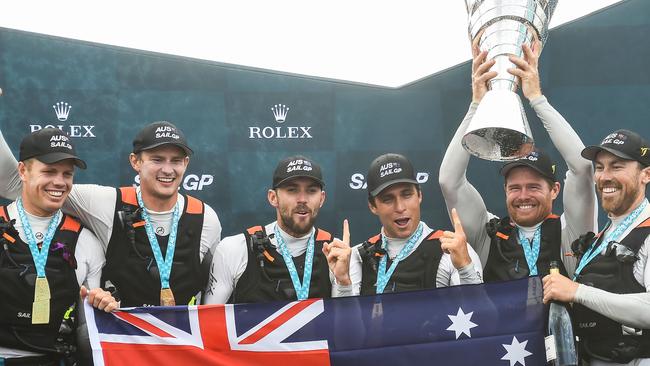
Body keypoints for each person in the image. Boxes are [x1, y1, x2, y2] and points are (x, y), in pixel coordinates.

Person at [0, 121, 222, 307]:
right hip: (122, 345)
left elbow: (214, 291)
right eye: (156, 159)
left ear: (186, 164)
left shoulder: (206, 218)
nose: (167, 169)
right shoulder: (106, 203)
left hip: (182, 347)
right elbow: (16, 184)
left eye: (176, 160)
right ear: (135, 161)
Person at [439, 41, 595, 282]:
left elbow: (582, 166)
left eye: (533, 186)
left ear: (554, 190)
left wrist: (536, 98)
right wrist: (477, 105)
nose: (523, 195)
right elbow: (449, 182)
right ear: (505, 190)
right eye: (515, 187)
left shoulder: (569, 231)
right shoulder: (488, 234)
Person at [0, 128, 117, 365]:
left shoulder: (86, 242)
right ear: (23, 171)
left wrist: (104, 307)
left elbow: (89, 331)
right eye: (49, 171)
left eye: (67, 174)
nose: (59, 182)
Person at [543, 129, 650, 365]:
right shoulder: (602, 237)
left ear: (646, 175)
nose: (605, 176)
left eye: (617, 166)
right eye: (600, 167)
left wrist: (577, 292)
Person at [326, 153, 482, 297]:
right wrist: (343, 282)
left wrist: (465, 267)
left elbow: (481, 320)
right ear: (373, 206)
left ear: (419, 195)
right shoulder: (356, 257)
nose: (400, 207)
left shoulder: (452, 250)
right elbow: (345, 326)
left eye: (407, 195)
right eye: (388, 199)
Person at [204, 155, 346, 303]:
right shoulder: (234, 249)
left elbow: (348, 324)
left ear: (322, 198)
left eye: (311, 191)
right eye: (292, 190)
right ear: (273, 198)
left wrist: (343, 282)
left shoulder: (336, 252)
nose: (302, 199)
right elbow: (209, 320)